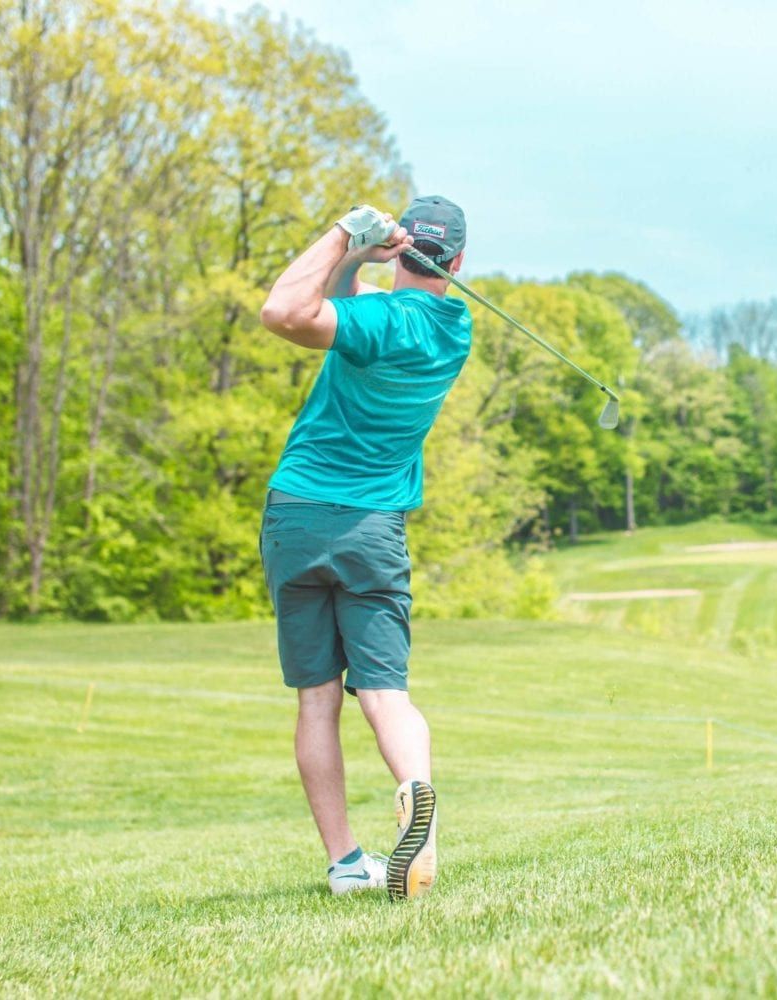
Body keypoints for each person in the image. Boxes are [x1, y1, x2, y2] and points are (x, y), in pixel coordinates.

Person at [257, 196, 471, 901]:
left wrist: (346, 232)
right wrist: (358, 263)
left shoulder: (379, 322)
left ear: (405, 247)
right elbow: (362, 312)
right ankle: (417, 800)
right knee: (385, 692)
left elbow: (283, 311)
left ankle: (347, 864)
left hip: (298, 515)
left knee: (317, 700)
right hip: (373, 530)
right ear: (459, 263)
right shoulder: (455, 331)